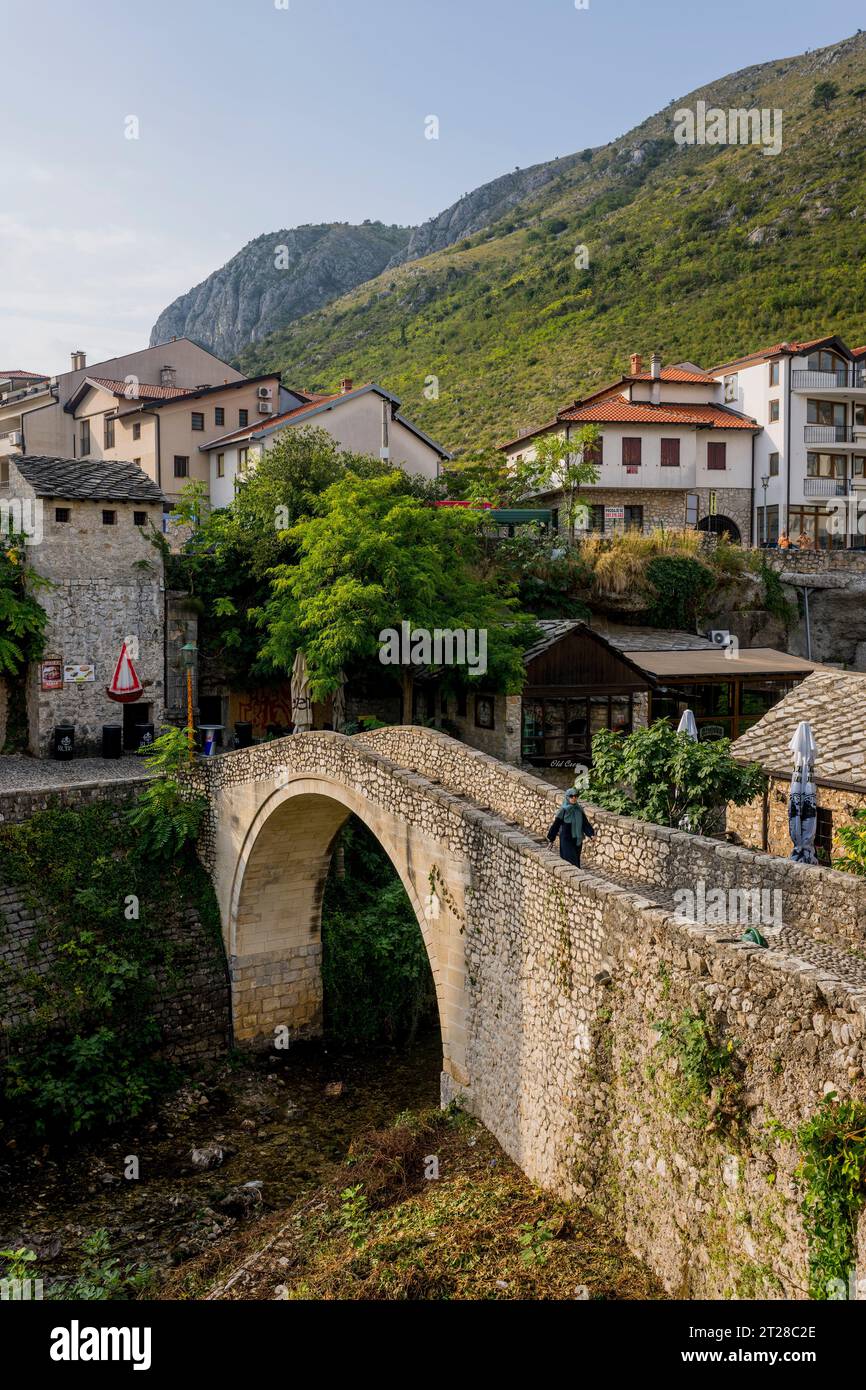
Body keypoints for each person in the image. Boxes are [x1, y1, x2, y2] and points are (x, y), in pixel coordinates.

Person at [547, 787, 594, 867]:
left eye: (576, 796)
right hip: (566, 840)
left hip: (577, 841)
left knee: (576, 861)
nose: (574, 798)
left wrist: (591, 834)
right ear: (567, 797)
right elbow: (556, 825)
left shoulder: (579, 809)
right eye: (571, 796)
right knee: (571, 862)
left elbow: (585, 824)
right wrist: (551, 838)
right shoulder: (563, 810)